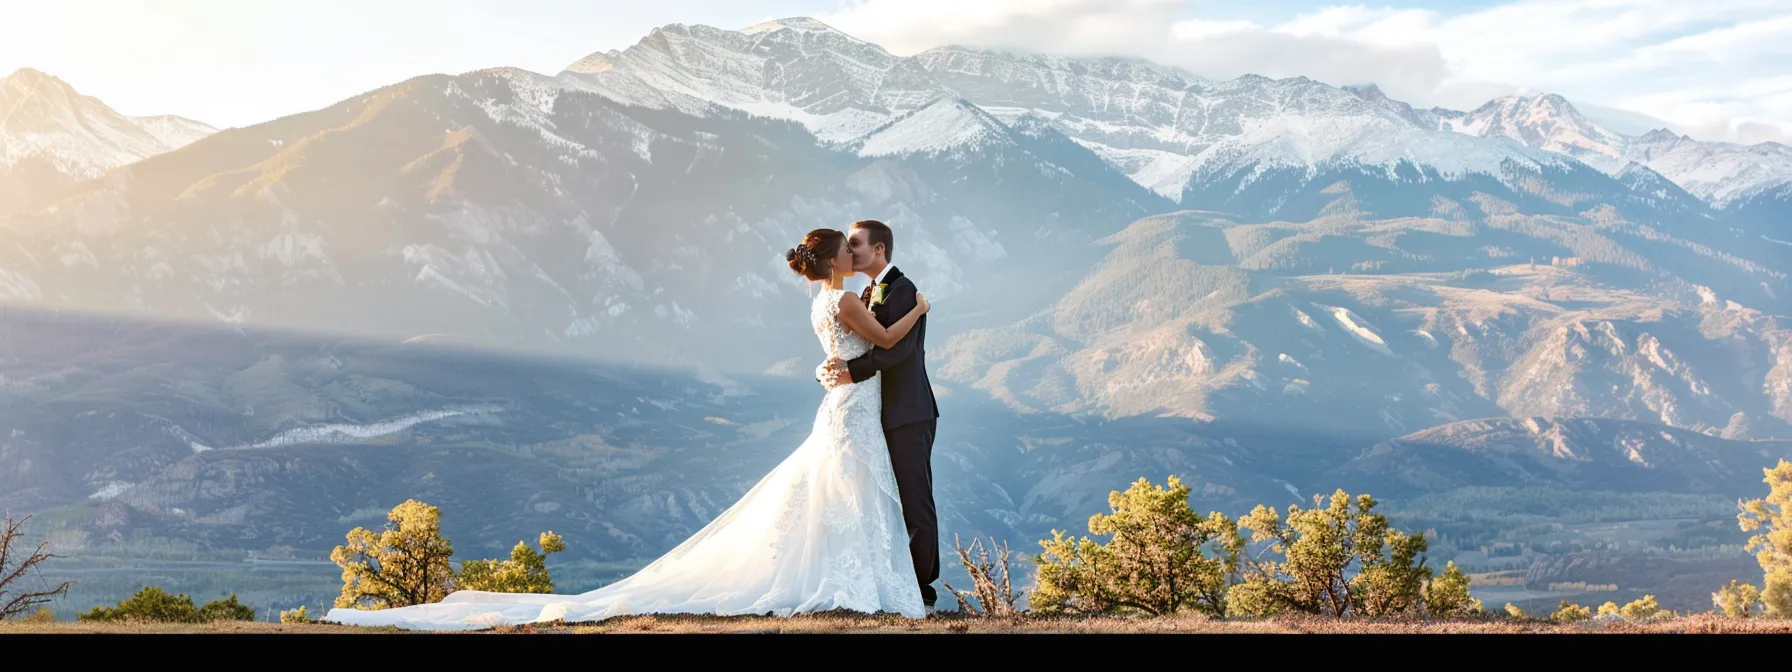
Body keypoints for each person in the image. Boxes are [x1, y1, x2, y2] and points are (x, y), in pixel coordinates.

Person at [322, 227, 929, 631]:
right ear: (833, 262)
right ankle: (863, 582)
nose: (857, 254)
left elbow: (856, 348)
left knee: (843, 490)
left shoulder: (822, 302)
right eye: (848, 249)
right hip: (851, 408)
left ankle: (855, 578)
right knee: (850, 489)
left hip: (849, 406)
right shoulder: (847, 301)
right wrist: (920, 311)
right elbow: (885, 339)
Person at [818, 219, 941, 609]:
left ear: (880, 250)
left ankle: (922, 591)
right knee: (884, 502)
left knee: (915, 503)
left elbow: (899, 351)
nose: (849, 251)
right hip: (875, 413)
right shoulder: (866, 292)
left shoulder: (903, 290)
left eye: (855, 244)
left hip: (907, 413)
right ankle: (891, 584)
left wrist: (851, 372)